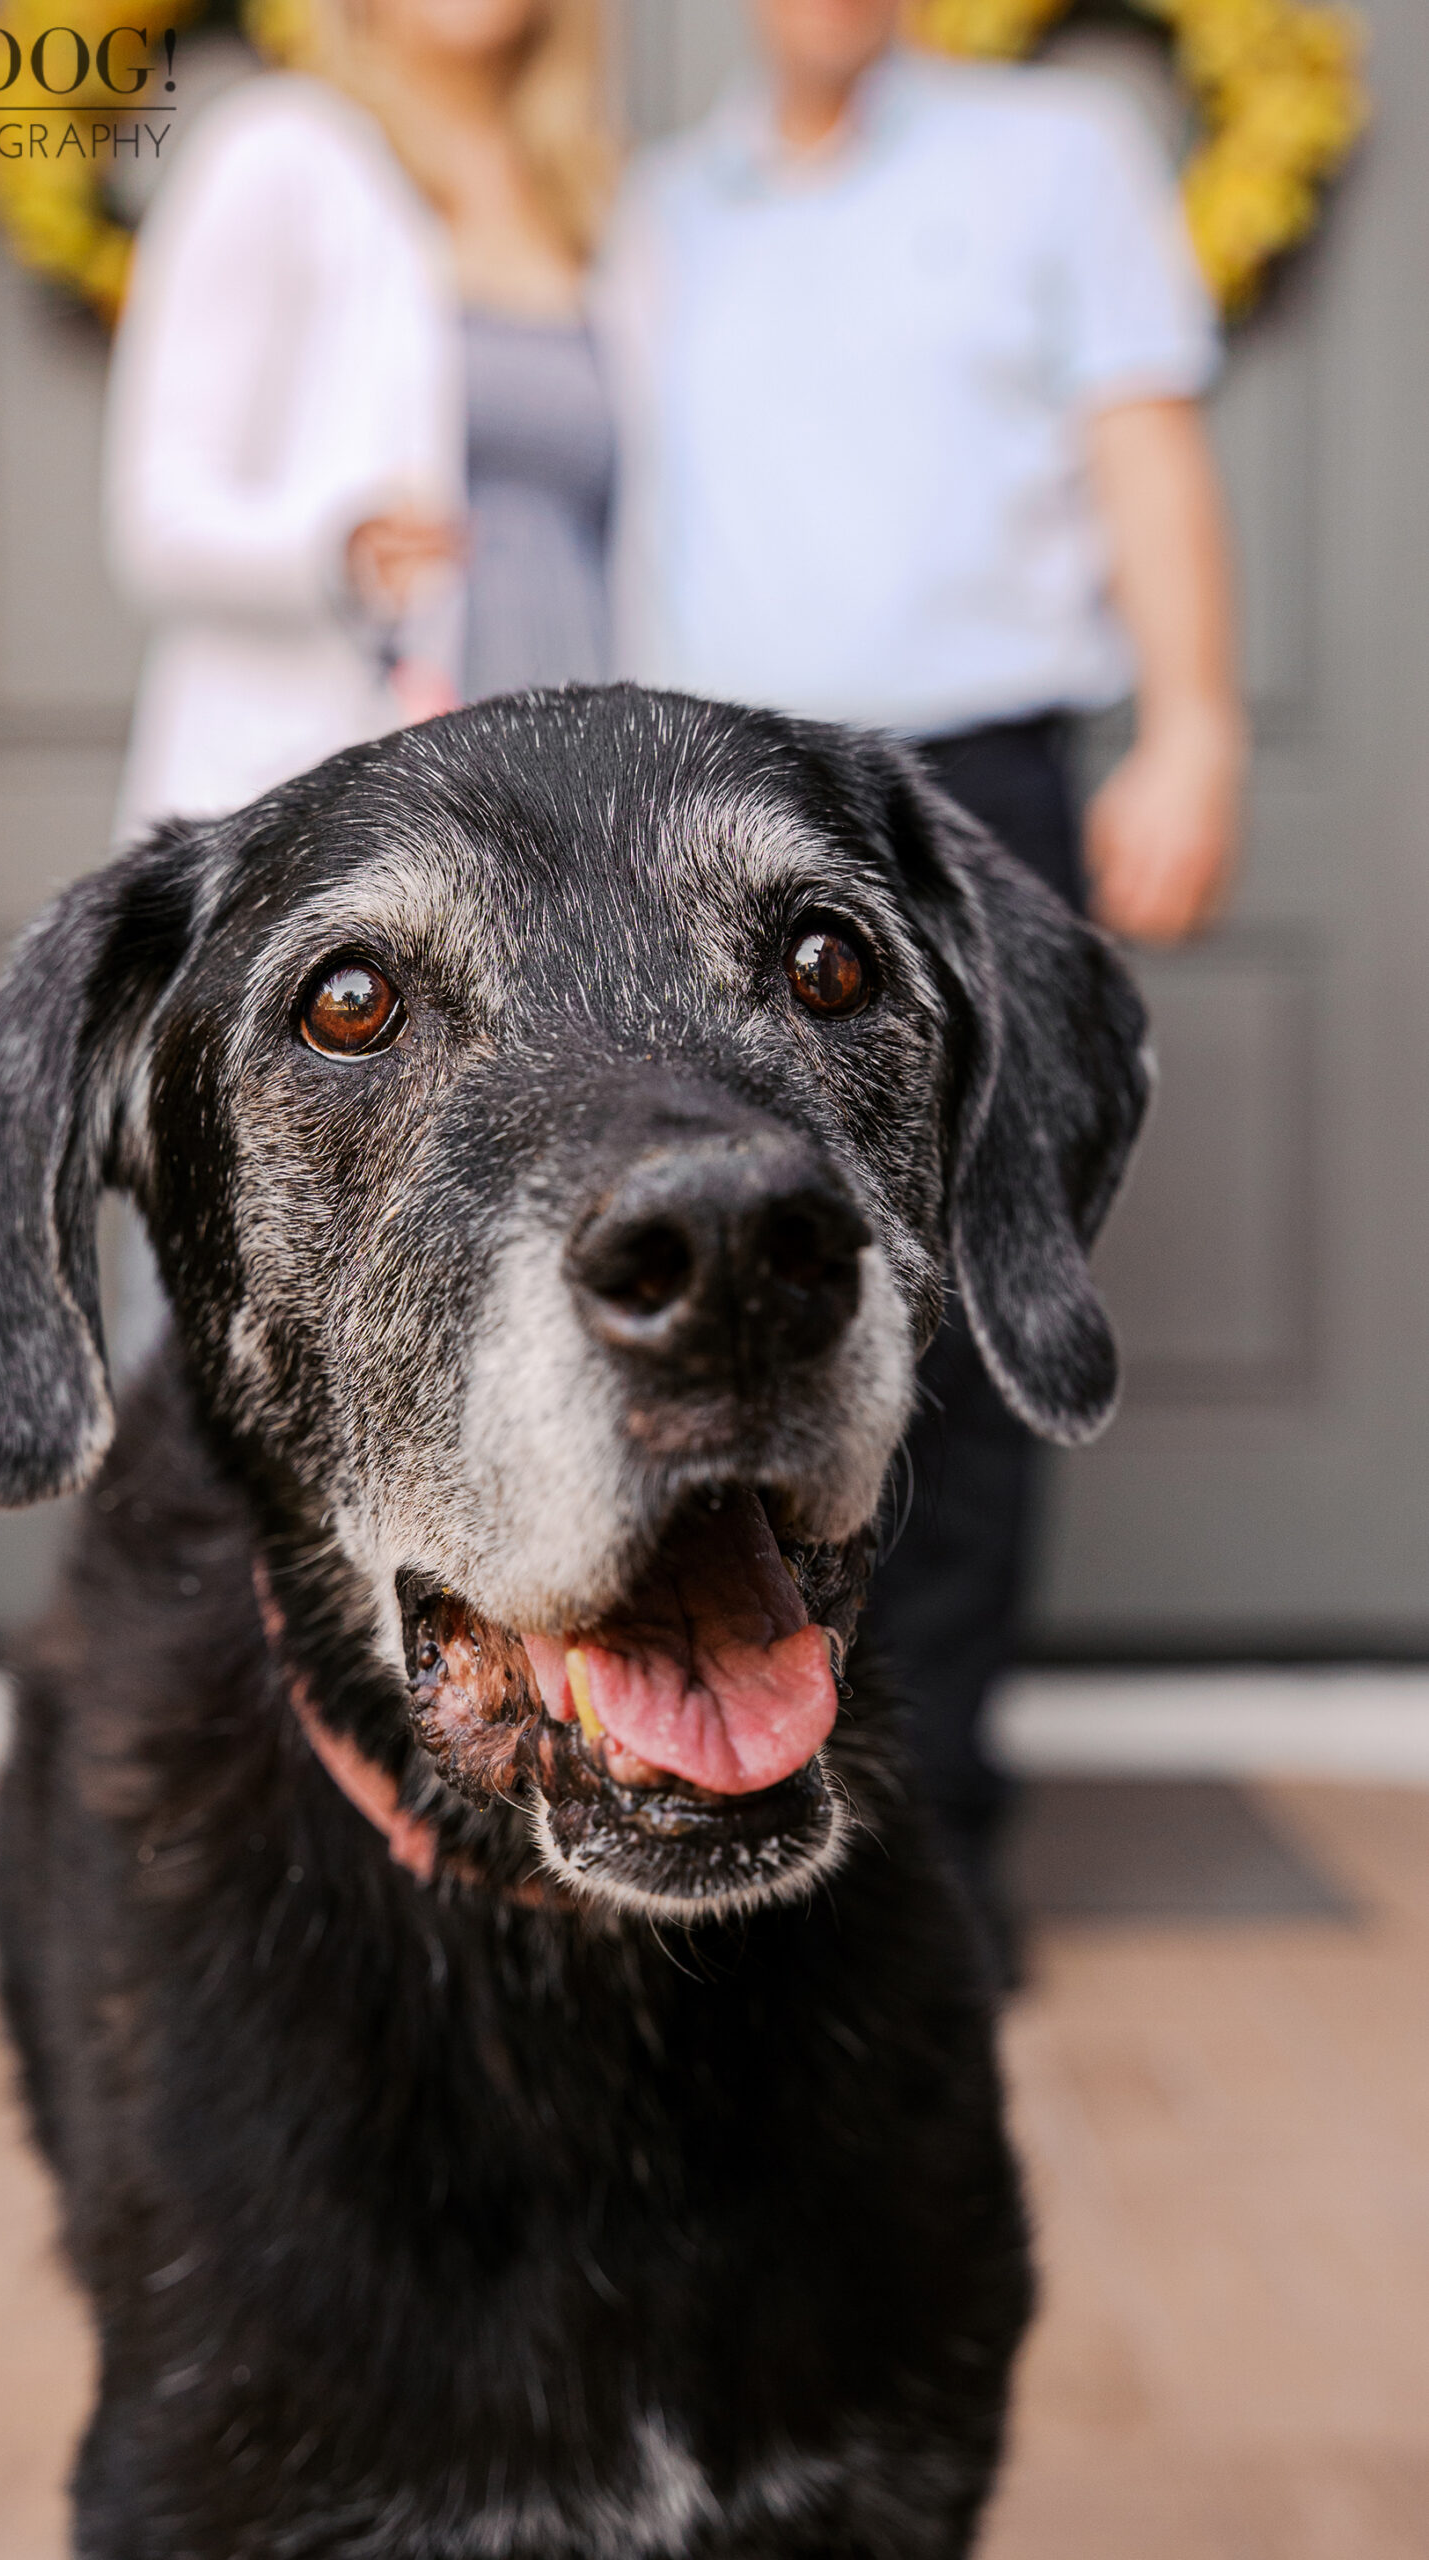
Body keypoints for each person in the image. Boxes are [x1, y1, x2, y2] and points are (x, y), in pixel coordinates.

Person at [602, 0, 1247, 1973]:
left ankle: (932, 1841)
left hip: (972, 789)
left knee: (954, 1312)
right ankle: (708, 1800)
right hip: (698, 823)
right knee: (719, 1326)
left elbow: (1139, 446)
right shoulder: (648, 214)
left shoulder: (1048, 154)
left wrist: (1195, 726)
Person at [104, 0, 616, 845]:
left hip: (573, 797)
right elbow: (157, 516)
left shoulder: (596, 201)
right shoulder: (278, 154)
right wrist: (335, 547)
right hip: (349, 783)